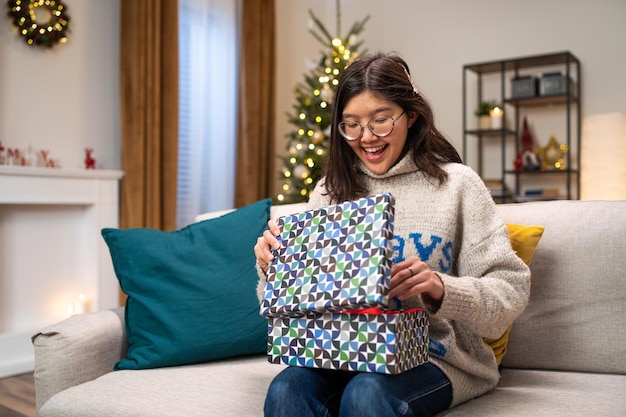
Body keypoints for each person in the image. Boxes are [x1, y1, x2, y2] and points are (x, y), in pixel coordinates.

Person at [254, 52, 530, 417]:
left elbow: (508, 295)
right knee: (286, 390)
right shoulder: (329, 191)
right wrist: (273, 268)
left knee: (367, 395)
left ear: (411, 115)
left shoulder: (458, 186)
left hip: (438, 356)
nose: (366, 137)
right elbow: (288, 309)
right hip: (341, 352)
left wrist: (440, 289)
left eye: (381, 121)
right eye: (350, 124)